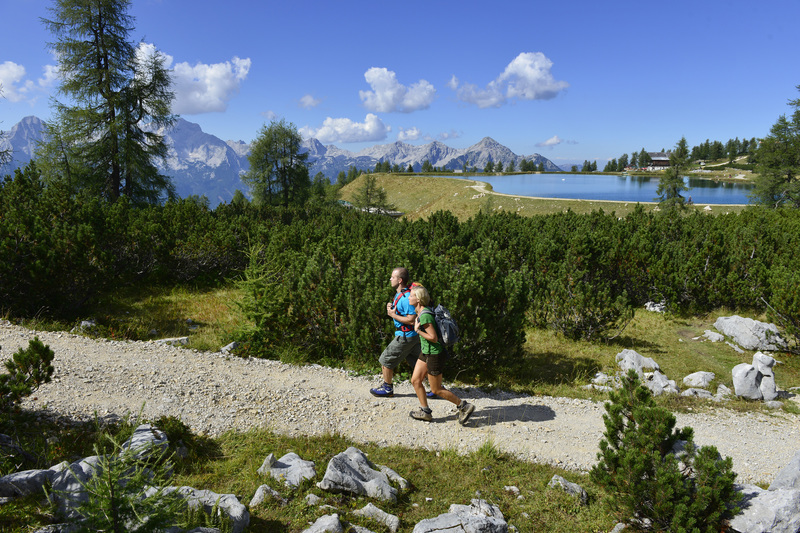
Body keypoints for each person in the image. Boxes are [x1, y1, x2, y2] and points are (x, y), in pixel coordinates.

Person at [408, 284, 475, 424]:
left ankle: (464, 406)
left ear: (418, 300)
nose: (409, 297)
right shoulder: (420, 312)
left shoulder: (425, 316)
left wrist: (418, 331)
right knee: (415, 380)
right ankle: (425, 411)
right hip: (426, 352)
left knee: (436, 389)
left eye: (411, 296)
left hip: (434, 354)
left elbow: (433, 338)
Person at [369, 267, 420, 397]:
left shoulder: (406, 297)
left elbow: (411, 320)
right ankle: (435, 388)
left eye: (393, 277)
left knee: (385, 360)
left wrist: (392, 314)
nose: (390, 279)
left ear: (400, 280)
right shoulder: (401, 293)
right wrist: (392, 309)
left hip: (405, 336)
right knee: (420, 362)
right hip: (413, 336)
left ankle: (387, 388)